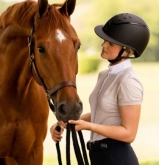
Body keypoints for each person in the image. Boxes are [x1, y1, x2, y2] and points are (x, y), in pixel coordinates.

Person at [50, 13, 150, 165]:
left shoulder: (128, 81)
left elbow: (129, 133)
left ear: (126, 49)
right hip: (98, 156)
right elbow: (101, 112)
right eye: (105, 40)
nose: (103, 44)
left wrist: (88, 127)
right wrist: (66, 123)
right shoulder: (105, 75)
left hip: (117, 158)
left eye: (110, 43)